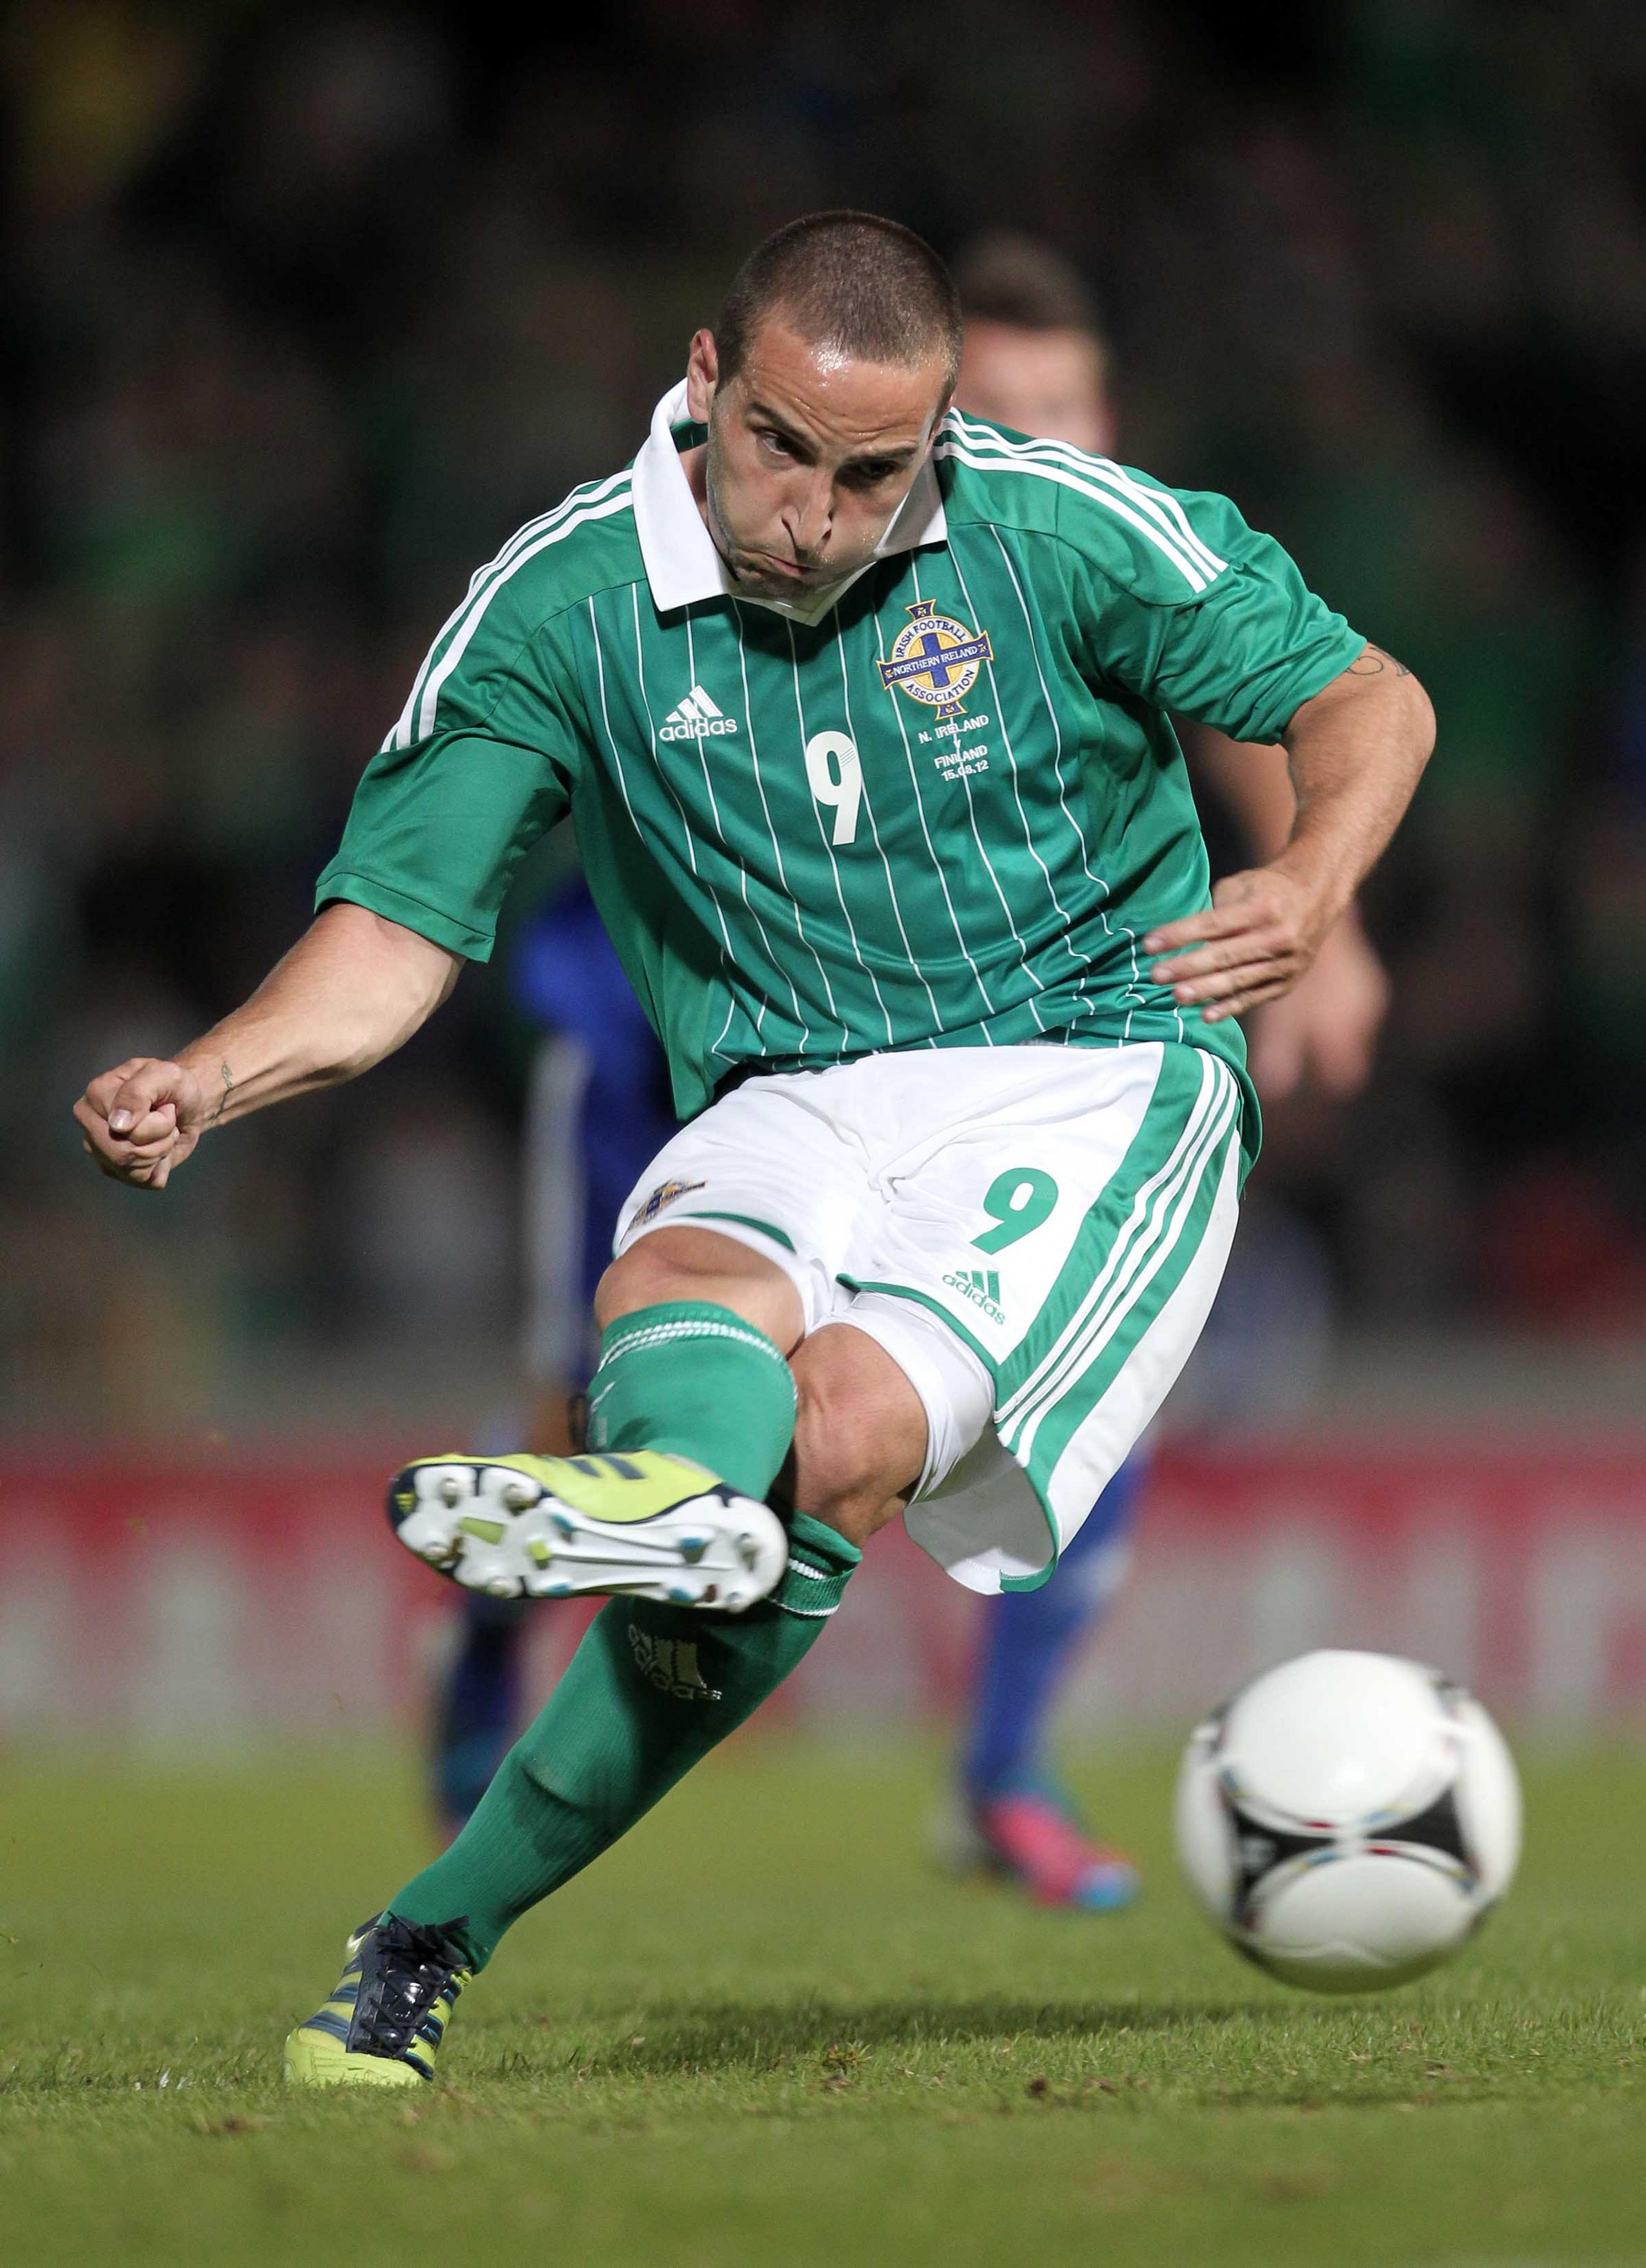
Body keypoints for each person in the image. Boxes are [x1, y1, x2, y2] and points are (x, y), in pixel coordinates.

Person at [76, 211, 1433, 2086]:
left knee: (839, 1452)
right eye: (783, 447)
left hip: (1091, 1074)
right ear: (706, 384)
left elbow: (1368, 698)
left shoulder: (1062, 529)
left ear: (940, 440)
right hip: (791, 1081)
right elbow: (396, 931)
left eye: (876, 472)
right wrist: (211, 1077)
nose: (816, 511)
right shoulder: (561, 607)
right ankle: (673, 1513)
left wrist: (1312, 877)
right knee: (675, 1280)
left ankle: (431, 1926)